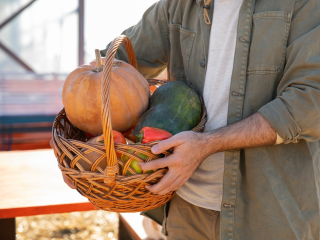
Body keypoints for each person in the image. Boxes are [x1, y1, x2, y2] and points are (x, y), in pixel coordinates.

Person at [61, 0, 320, 239]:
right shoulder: (179, 4)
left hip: (273, 213)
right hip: (185, 207)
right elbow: (110, 68)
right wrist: (75, 143)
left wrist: (207, 144)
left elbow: (310, 99)